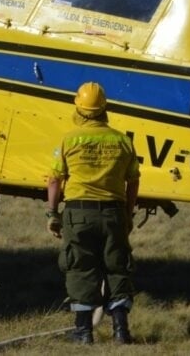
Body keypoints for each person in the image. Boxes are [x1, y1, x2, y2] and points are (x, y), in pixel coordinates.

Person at [46, 81, 140, 344]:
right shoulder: (122, 141)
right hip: (113, 213)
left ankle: (83, 331)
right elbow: (133, 181)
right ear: (104, 109)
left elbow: (54, 180)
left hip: (79, 214)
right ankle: (121, 330)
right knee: (116, 267)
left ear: (78, 108)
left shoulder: (68, 139)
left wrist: (52, 214)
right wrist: (128, 215)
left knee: (80, 268)